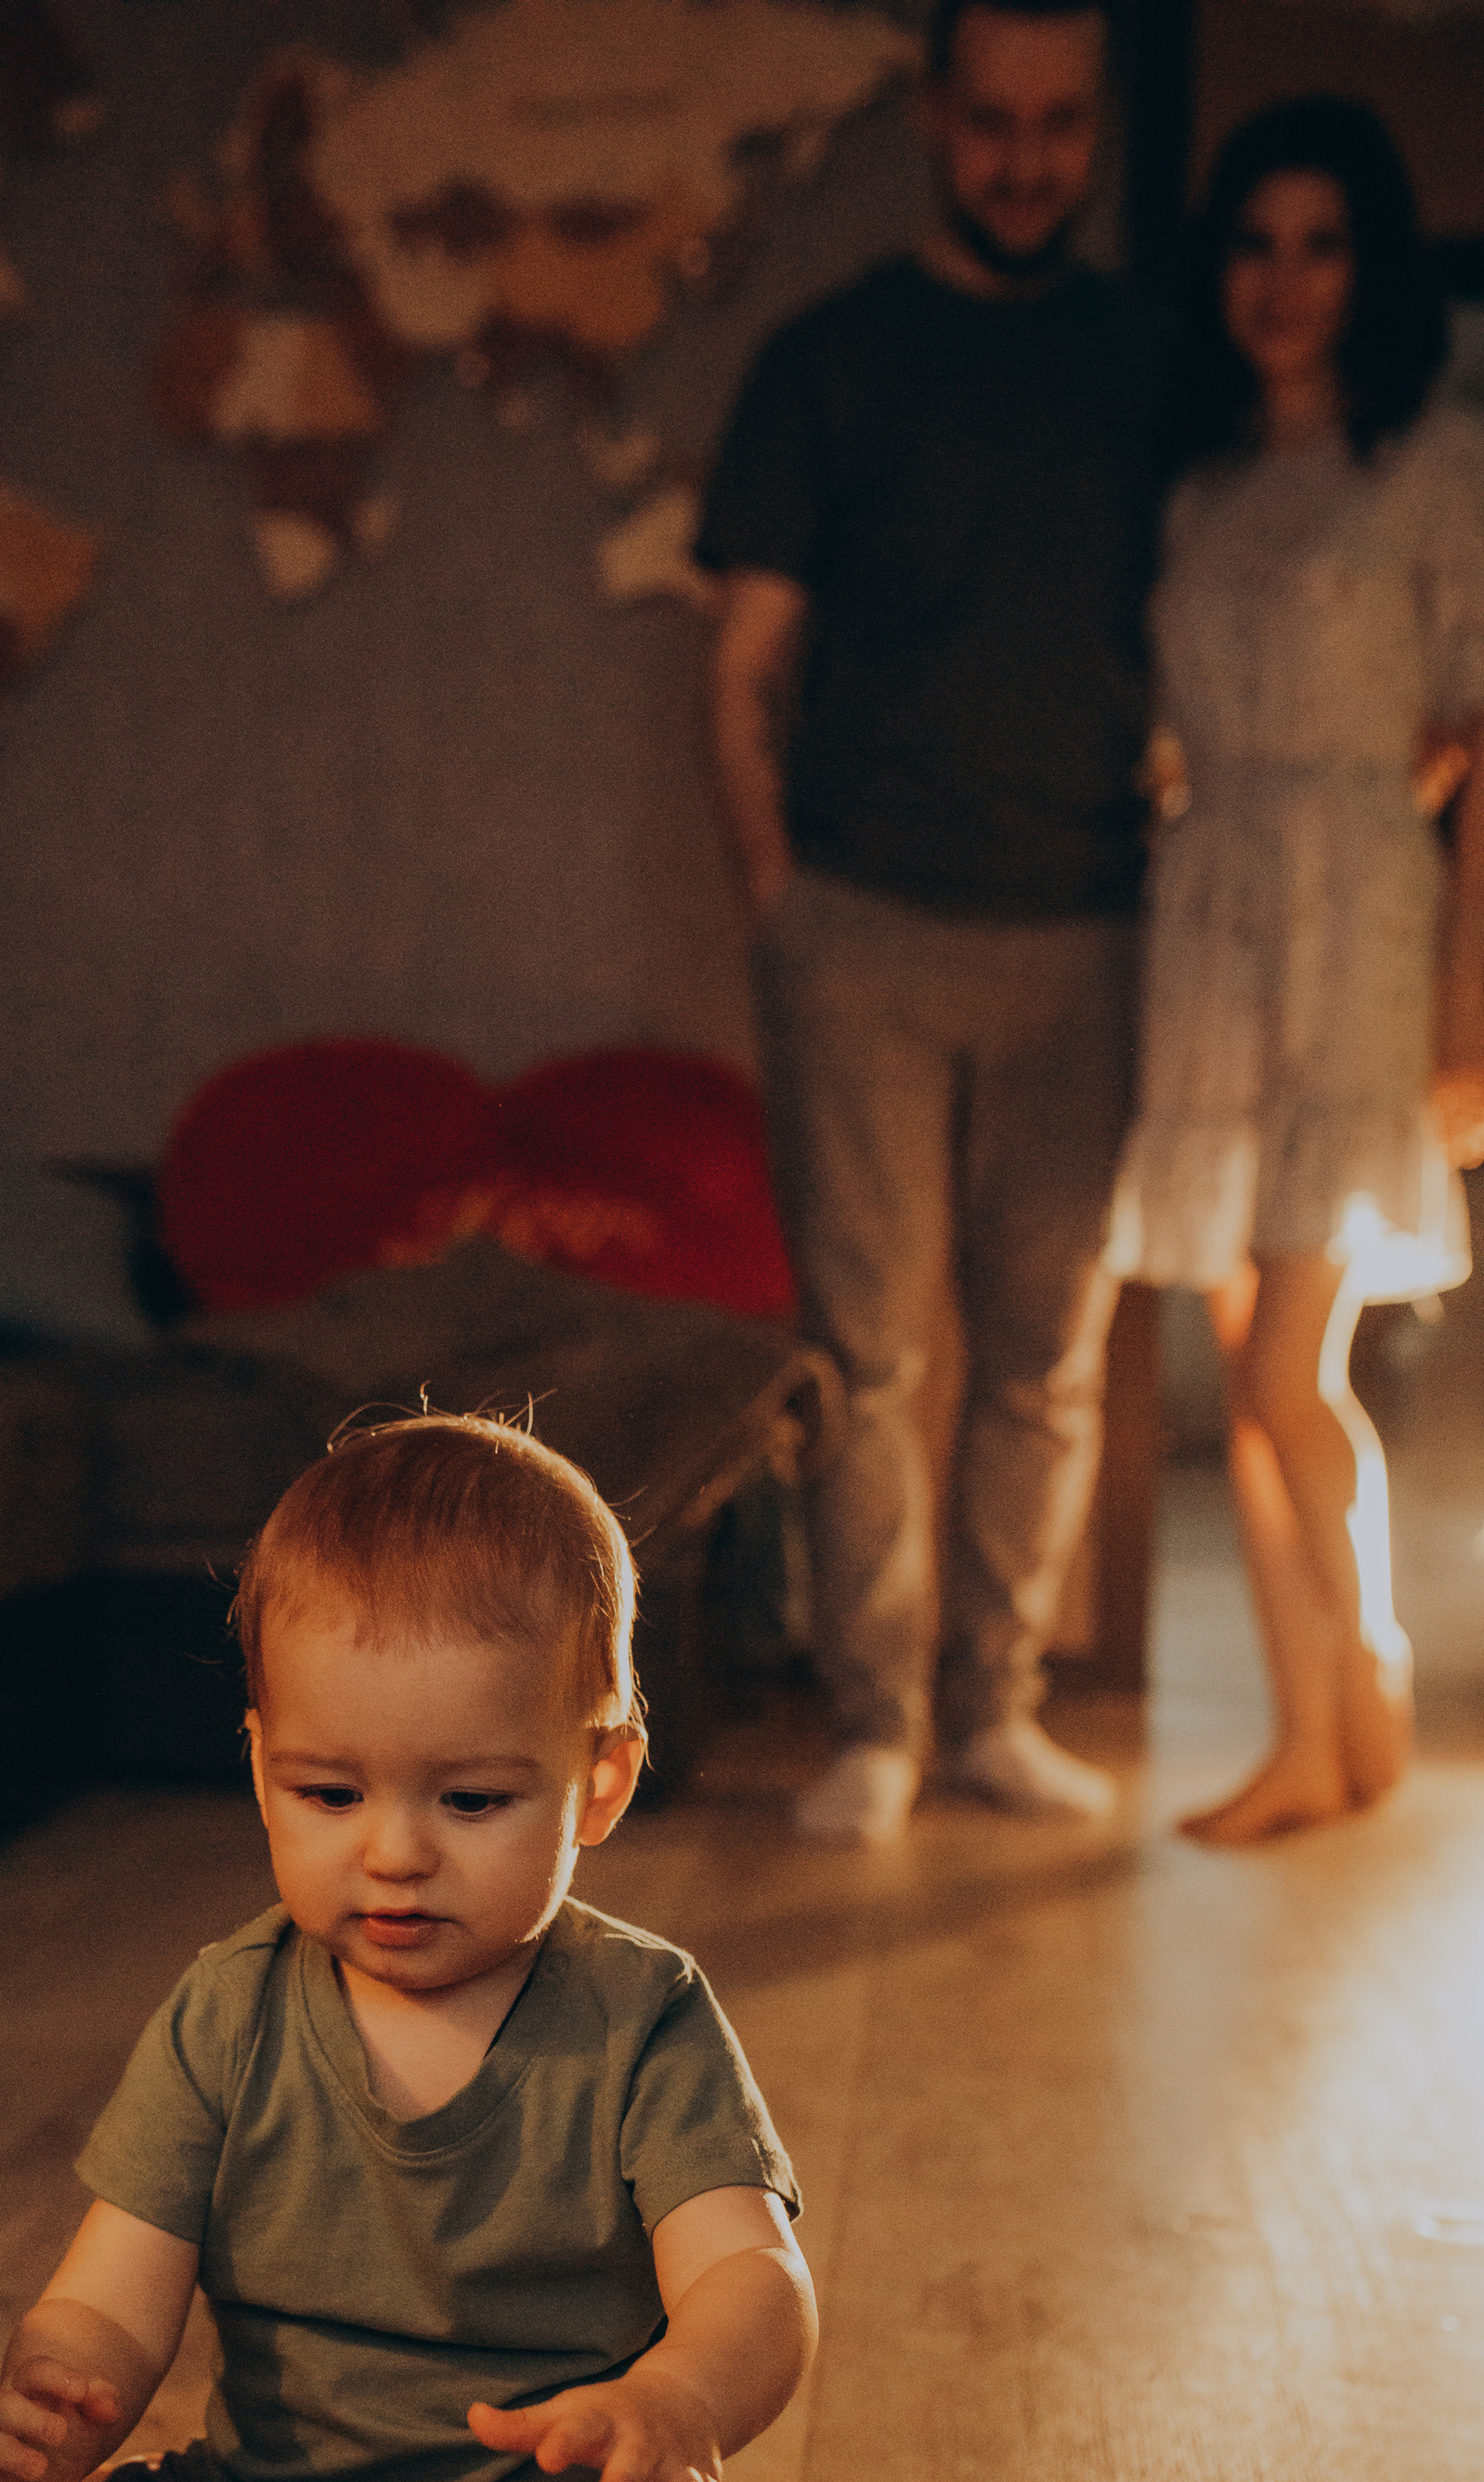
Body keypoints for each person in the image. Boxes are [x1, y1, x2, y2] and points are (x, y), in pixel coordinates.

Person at [0, 1414, 882, 2482]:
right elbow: (116, 2282)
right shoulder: (229, 2011)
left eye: (472, 1800)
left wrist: (675, 2397)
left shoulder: (640, 2020)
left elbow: (756, 2282)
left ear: (599, 1782)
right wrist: (63, 2384)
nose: (395, 1853)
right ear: (259, 1769)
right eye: (330, 1793)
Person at [700, 0, 1168, 1845]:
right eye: (990, 122)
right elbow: (739, 667)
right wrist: (776, 902)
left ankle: (995, 1712)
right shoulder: (820, 362)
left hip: (1090, 937)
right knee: (868, 1355)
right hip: (859, 932)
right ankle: (871, 1726)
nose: (1023, 158)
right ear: (929, 113)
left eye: (1058, 125)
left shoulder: (1151, 358)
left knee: (1042, 1353)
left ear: (1097, 128)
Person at [1103, 98, 1484, 1844]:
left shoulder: (1433, 463)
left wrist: (1468, 1000)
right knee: (1247, 1341)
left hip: (1358, 923)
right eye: (1256, 242)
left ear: (1371, 264)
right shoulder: (1190, 481)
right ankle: (1307, 1731)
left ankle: (1362, 1680)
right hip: (1213, 914)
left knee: (1283, 1373)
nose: (1286, 280)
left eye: (1322, 242)